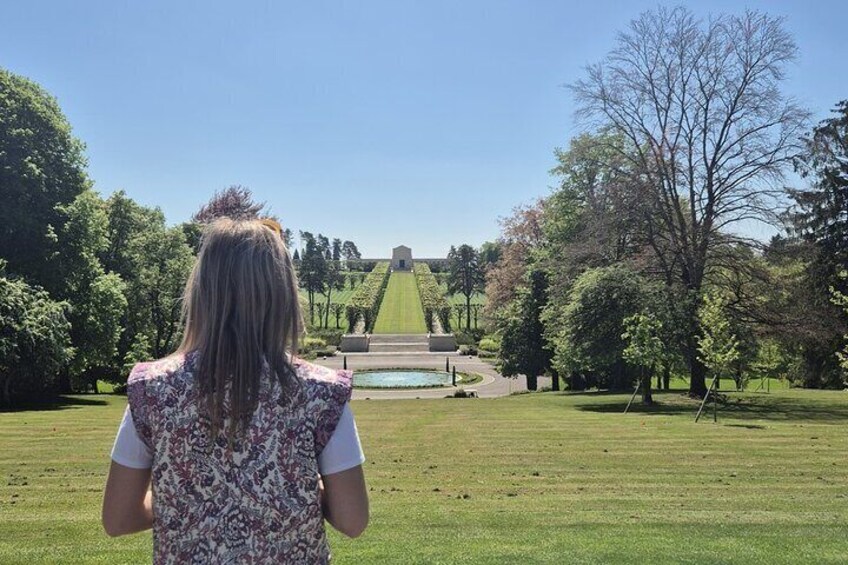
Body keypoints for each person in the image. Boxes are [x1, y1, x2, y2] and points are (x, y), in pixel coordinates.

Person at [102, 218, 368, 563]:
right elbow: (352, 520)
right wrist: (297, 489)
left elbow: (119, 518)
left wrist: (183, 498)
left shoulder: (151, 389)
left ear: (202, 290)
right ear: (283, 293)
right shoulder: (321, 393)